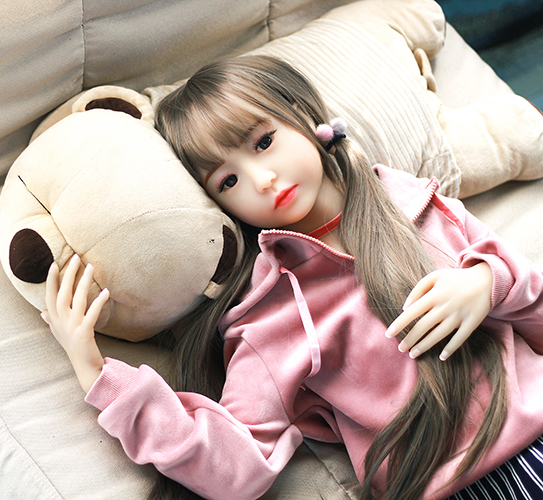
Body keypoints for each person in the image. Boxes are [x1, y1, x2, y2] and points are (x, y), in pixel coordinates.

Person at [41, 55, 543, 500]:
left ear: (304, 115)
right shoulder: (268, 319)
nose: (263, 180)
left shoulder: (421, 206)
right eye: (228, 180)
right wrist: (97, 372)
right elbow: (236, 468)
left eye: (264, 142)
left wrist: (488, 283)